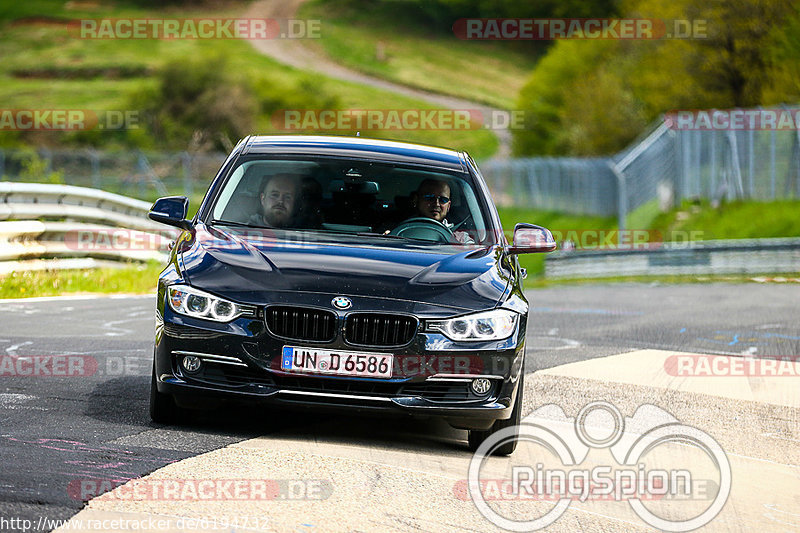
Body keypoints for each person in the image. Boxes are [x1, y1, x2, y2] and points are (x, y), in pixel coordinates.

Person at [405, 179, 474, 243]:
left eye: (443, 200)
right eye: (429, 197)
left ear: (448, 206)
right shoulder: (397, 232)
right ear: (416, 200)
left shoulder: (460, 239)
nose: (436, 204)